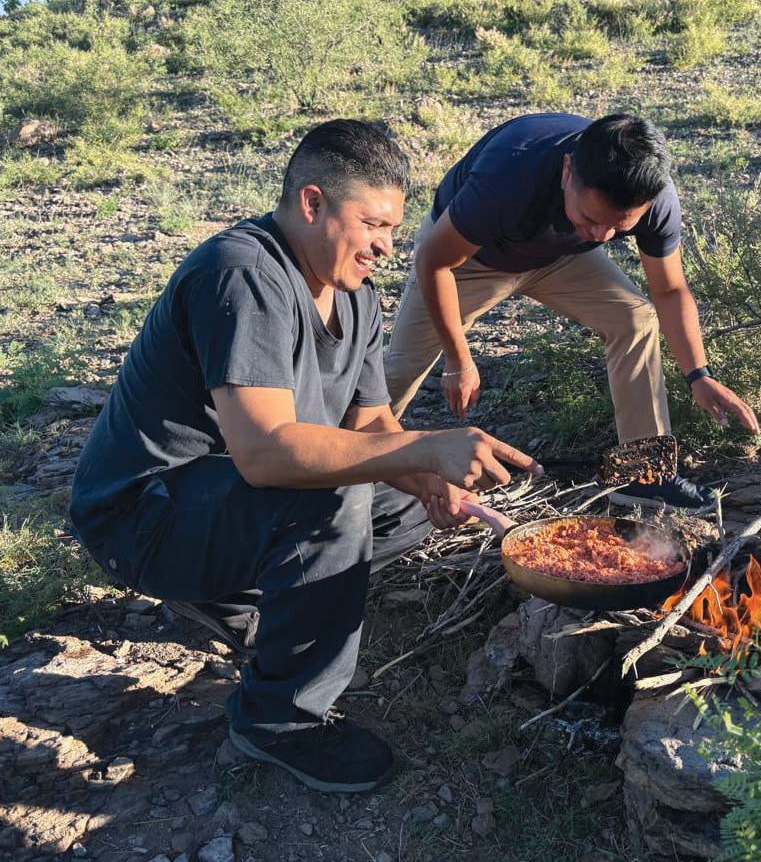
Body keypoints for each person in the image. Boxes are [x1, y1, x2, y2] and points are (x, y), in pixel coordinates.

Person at [69, 119, 541, 794]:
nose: (386, 245)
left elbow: (373, 422)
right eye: (372, 224)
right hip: (144, 513)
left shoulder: (357, 295)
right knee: (334, 495)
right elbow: (265, 454)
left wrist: (428, 474)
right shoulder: (243, 274)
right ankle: (277, 721)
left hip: (220, 499)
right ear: (313, 203)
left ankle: (236, 600)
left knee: (404, 498)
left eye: (392, 229)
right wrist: (428, 446)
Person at [384, 112, 759, 510]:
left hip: (558, 257)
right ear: (567, 171)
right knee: (402, 369)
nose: (601, 236)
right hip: (467, 258)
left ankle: (642, 475)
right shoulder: (511, 173)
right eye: (591, 218)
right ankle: (344, 461)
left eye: (618, 227)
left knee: (633, 317)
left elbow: (669, 290)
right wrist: (459, 360)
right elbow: (434, 261)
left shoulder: (653, 198)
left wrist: (699, 375)